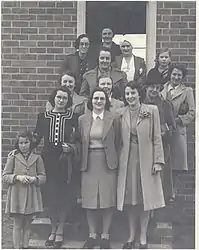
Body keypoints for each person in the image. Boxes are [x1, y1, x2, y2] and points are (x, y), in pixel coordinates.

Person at [117, 81, 165, 249]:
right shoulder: (120, 113)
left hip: (146, 159)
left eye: (133, 93)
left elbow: (157, 137)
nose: (130, 96)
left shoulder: (151, 111)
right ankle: (131, 236)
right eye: (127, 94)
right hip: (127, 160)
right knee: (131, 199)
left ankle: (143, 236)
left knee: (145, 199)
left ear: (139, 94)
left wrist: (158, 161)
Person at [33, 86, 78, 248]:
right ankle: (52, 229)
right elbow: (36, 139)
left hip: (65, 160)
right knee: (51, 197)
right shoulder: (43, 117)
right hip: (48, 160)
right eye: (59, 97)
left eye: (64, 98)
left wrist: (71, 148)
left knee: (63, 196)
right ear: (54, 99)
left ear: (68, 100)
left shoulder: (74, 117)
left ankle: (60, 229)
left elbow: (78, 140)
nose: (61, 100)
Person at [78, 88, 120, 249]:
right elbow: (80, 140)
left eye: (102, 98)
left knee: (107, 199)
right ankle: (92, 235)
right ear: (91, 101)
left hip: (107, 161)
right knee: (89, 200)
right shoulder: (83, 119)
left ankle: (105, 236)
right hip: (88, 161)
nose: (98, 101)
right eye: (96, 98)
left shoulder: (113, 118)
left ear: (106, 101)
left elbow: (118, 141)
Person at [3, 130, 46, 249]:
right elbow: (5, 176)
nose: (23, 145)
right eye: (21, 143)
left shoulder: (37, 158)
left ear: (30, 143)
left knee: (27, 224)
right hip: (16, 195)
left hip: (31, 195)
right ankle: (17, 247)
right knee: (17, 224)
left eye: (26, 142)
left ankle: (25, 245)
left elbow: (43, 177)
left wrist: (34, 179)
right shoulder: (13, 157)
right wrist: (18, 177)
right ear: (18, 144)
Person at [143, 73, 176, 203]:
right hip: (144, 148)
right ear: (146, 88)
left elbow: (172, 128)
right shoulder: (141, 104)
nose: (154, 91)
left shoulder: (165, 105)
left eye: (158, 88)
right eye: (152, 87)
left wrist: (164, 133)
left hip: (161, 148)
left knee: (161, 182)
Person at [161, 64, 195, 175]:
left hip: (177, 131)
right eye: (174, 74)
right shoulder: (162, 89)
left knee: (175, 167)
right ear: (170, 74)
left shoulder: (187, 91)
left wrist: (177, 120)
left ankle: (173, 192)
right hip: (162, 131)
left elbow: (192, 113)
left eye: (179, 75)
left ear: (183, 77)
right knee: (162, 164)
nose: (176, 77)